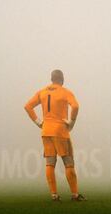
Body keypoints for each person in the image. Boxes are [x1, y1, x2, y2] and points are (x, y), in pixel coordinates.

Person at [24, 69, 86, 202]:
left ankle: (54, 195)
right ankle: (75, 194)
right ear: (62, 79)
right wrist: (72, 122)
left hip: (46, 131)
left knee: (50, 163)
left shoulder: (42, 92)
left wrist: (38, 122)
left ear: (51, 79)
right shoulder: (65, 92)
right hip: (60, 131)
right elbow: (75, 106)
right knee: (68, 162)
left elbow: (28, 106)